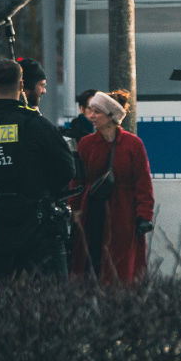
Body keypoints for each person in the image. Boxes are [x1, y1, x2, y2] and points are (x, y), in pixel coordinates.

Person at [0, 58, 77, 279]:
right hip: (37, 224)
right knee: (54, 298)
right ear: (21, 86)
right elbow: (67, 169)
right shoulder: (36, 125)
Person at [70, 90, 155, 284]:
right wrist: (73, 209)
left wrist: (144, 216)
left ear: (111, 116)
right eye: (90, 110)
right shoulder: (86, 144)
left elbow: (143, 183)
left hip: (124, 214)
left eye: (97, 112)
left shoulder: (133, 144)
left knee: (120, 268)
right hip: (92, 212)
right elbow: (77, 182)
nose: (91, 116)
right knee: (92, 264)